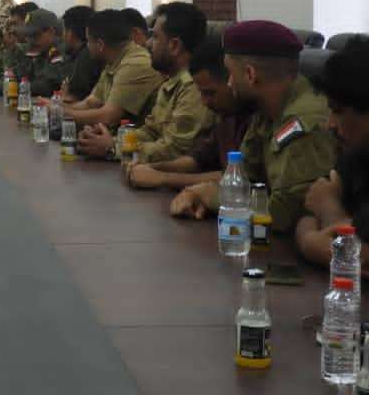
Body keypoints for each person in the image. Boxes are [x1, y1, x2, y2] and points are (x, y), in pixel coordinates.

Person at [170, 20, 337, 232]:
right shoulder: (266, 110)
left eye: (231, 74)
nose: (229, 83)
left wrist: (210, 197)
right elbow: (242, 178)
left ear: (250, 74)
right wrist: (196, 193)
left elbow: (284, 214)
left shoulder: (304, 122)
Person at [77, 2, 213, 162]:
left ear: (174, 46)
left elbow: (174, 150)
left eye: (155, 37)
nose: (148, 43)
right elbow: (150, 132)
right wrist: (104, 140)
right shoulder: (170, 82)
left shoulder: (194, 88)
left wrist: (113, 148)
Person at [127, 38, 252, 191]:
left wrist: (163, 178)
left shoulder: (254, 117)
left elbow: (240, 178)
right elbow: (197, 159)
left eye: (210, 93)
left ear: (232, 81)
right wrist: (154, 168)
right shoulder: (226, 117)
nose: (205, 102)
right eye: (202, 93)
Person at [296, 37, 369, 267]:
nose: (330, 124)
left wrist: (328, 207)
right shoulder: (356, 155)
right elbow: (308, 208)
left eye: (338, 111)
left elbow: (361, 254)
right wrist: (310, 240)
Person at [65, 9, 163, 138]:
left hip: (139, 143)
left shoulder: (135, 64)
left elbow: (108, 117)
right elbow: (90, 103)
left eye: (88, 41)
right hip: (124, 141)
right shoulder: (113, 61)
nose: (87, 46)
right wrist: (56, 107)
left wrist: (61, 114)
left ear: (100, 45)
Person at [15, 9, 68, 98]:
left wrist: (10, 87)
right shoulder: (40, 50)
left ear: (51, 32)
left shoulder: (58, 52)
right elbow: (18, 75)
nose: (30, 40)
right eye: (28, 36)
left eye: (34, 35)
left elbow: (47, 87)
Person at [60, 6, 103, 103]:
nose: (63, 35)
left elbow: (72, 98)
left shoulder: (85, 56)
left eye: (64, 30)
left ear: (70, 33)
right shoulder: (83, 53)